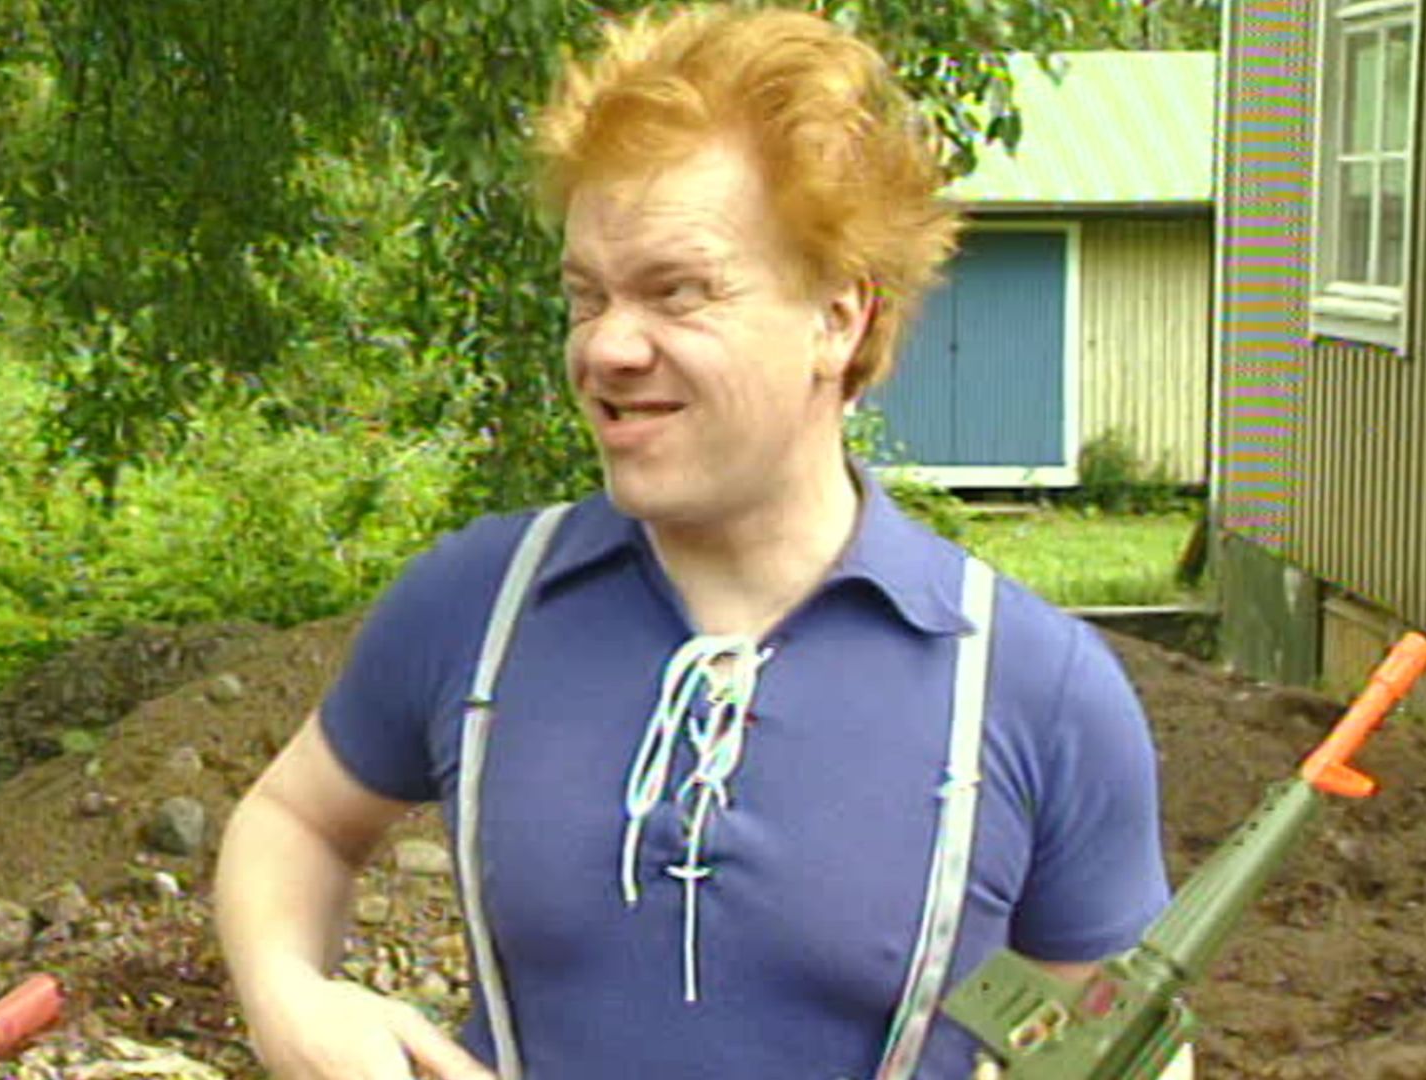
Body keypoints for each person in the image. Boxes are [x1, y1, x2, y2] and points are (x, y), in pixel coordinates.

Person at [214, 6, 1183, 1078]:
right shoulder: (478, 607)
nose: (608, 348)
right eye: (587, 296)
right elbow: (295, 821)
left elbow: (1123, 1052)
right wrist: (292, 1000)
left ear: (839, 318)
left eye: (676, 292)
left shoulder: (1033, 687)